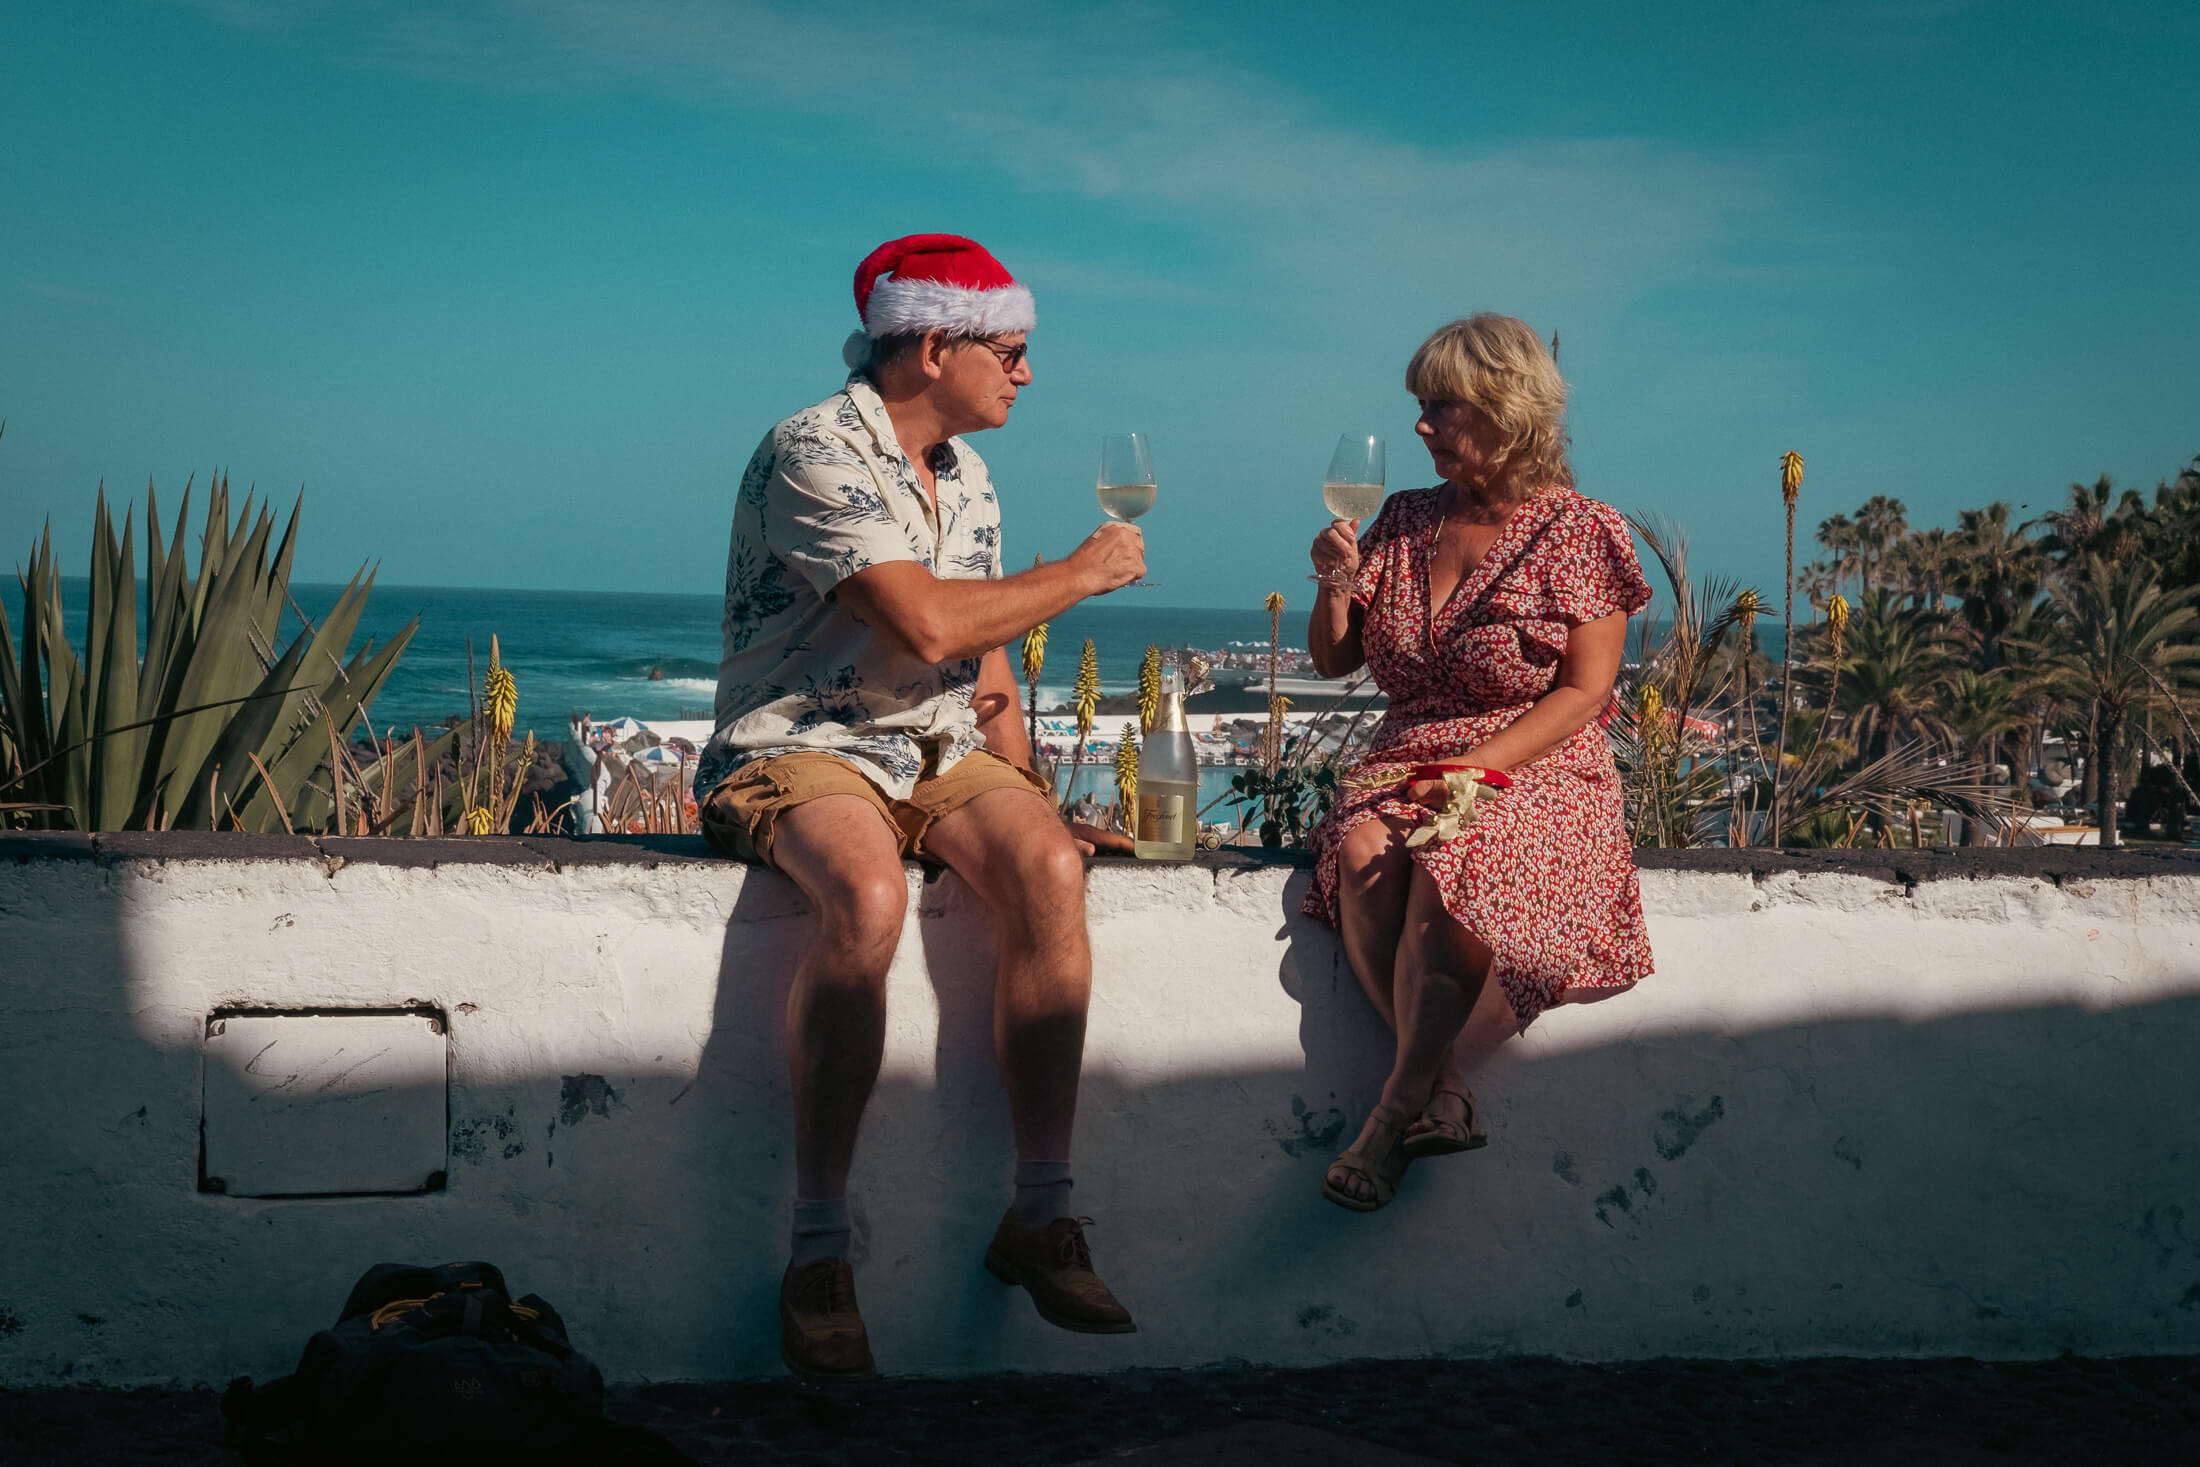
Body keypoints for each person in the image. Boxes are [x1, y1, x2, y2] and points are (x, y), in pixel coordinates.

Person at [693, 234, 1145, 1378]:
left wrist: (1033, 800)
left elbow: (979, 664)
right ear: (936, 344)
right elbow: (932, 625)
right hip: (802, 741)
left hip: (932, 744)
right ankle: (818, 1247)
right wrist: (1084, 574)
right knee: (868, 892)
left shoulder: (962, 469)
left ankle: (1039, 1217)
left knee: (1047, 870)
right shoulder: (815, 448)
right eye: (1013, 351)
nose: (1026, 376)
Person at [1302, 313, 1654, 1212]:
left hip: (1536, 757)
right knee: (1359, 852)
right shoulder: (1405, 519)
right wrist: (1336, 580)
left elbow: (1584, 692)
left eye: (1441, 408)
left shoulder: (1582, 529)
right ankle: (1445, 1084)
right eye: (1420, 407)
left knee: (1455, 860)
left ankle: (1390, 1114)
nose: (1422, 426)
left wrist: (1475, 766)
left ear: (1506, 407)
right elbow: (1337, 662)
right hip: (1406, 754)